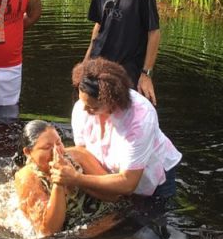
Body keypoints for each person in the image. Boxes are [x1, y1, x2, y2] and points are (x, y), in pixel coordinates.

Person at [53, 58, 181, 202]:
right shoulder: (81, 109)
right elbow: (84, 154)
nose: (84, 110)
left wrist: (77, 179)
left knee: (150, 217)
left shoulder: (140, 118)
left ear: (111, 100)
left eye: (93, 107)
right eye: (83, 102)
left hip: (151, 177)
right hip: (112, 172)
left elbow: (128, 183)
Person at [14, 120, 123, 237]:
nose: (57, 151)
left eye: (59, 143)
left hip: (108, 221)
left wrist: (77, 179)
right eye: (47, 147)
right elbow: (48, 231)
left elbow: (115, 195)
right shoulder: (27, 178)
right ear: (28, 152)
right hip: (75, 237)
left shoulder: (78, 155)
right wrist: (58, 182)